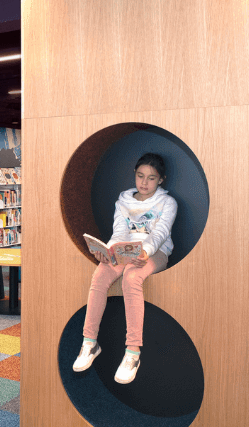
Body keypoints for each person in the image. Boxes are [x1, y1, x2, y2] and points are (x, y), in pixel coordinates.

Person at [73, 152, 177, 384]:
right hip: (124, 250)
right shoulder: (122, 202)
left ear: (161, 180)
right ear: (134, 174)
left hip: (154, 252)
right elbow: (119, 232)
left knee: (131, 277)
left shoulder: (167, 203)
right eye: (140, 176)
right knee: (100, 274)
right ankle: (89, 343)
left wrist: (145, 252)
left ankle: (133, 352)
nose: (144, 182)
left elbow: (160, 234)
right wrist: (109, 250)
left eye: (151, 178)